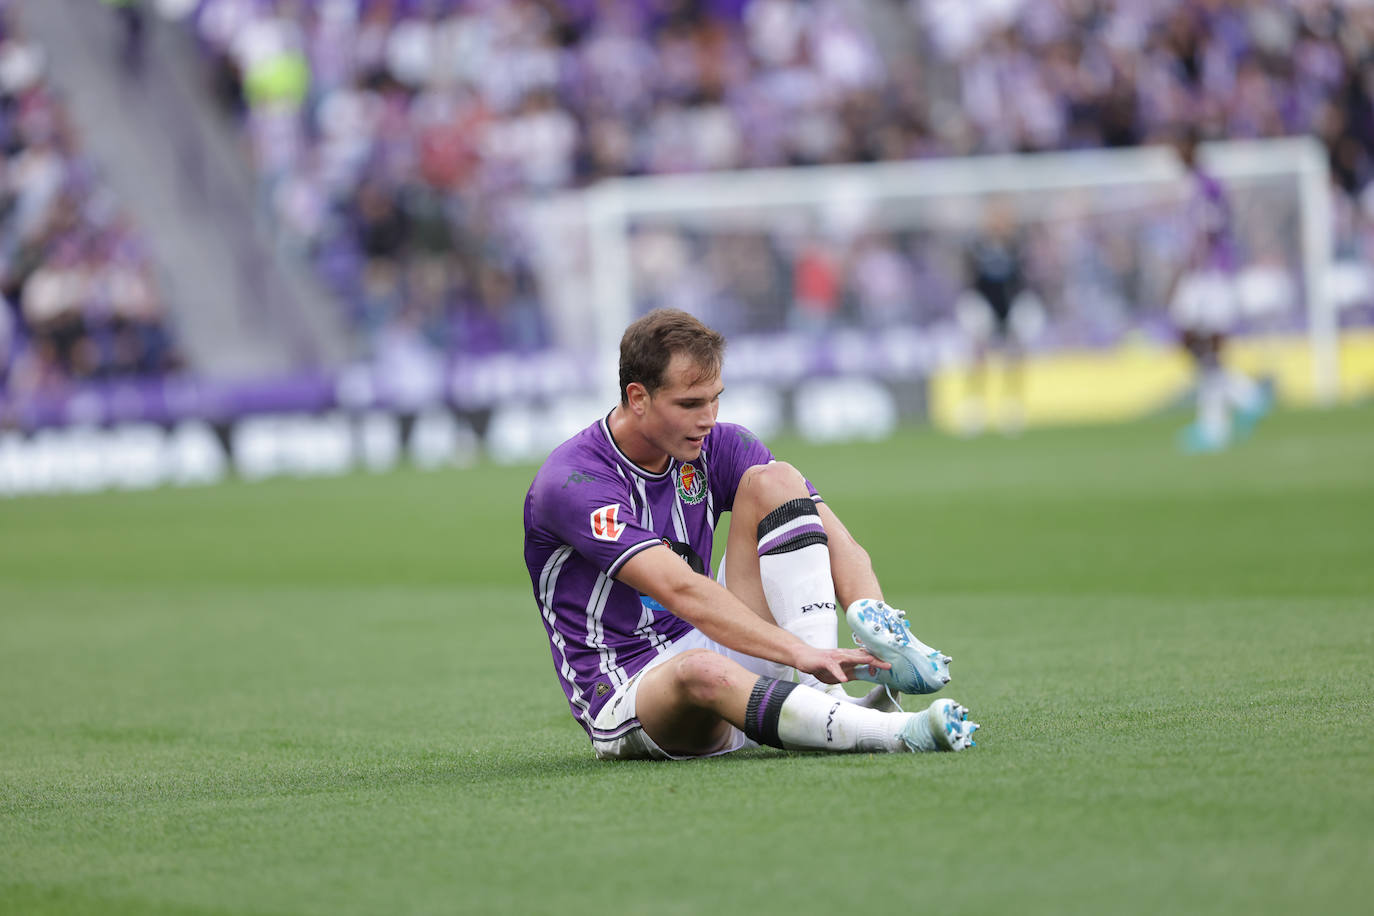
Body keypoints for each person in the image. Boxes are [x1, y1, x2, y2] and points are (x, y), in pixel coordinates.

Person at [523, 308, 978, 760]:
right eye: (689, 404)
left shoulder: (720, 444)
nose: (708, 418)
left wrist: (875, 624)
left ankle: (825, 699)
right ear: (638, 397)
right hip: (630, 689)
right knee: (700, 670)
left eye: (714, 398)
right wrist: (797, 652)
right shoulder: (574, 482)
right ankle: (892, 732)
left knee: (776, 479)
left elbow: (841, 544)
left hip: (710, 641)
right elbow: (679, 589)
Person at [1168, 127, 1272, 453]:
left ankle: (1216, 425)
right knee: (1197, 345)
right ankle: (1245, 395)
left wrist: (1185, 267)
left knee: (1203, 343)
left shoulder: (1206, 184)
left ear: (1192, 147)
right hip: (1203, 274)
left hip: (1210, 274)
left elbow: (1210, 230)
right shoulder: (1195, 184)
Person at [953, 200, 1045, 436]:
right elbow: (970, 278)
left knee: (1015, 353)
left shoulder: (1016, 245)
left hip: (1010, 304)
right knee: (978, 353)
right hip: (984, 302)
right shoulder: (977, 246)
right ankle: (975, 404)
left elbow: (1023, 280)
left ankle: (1011, 404)